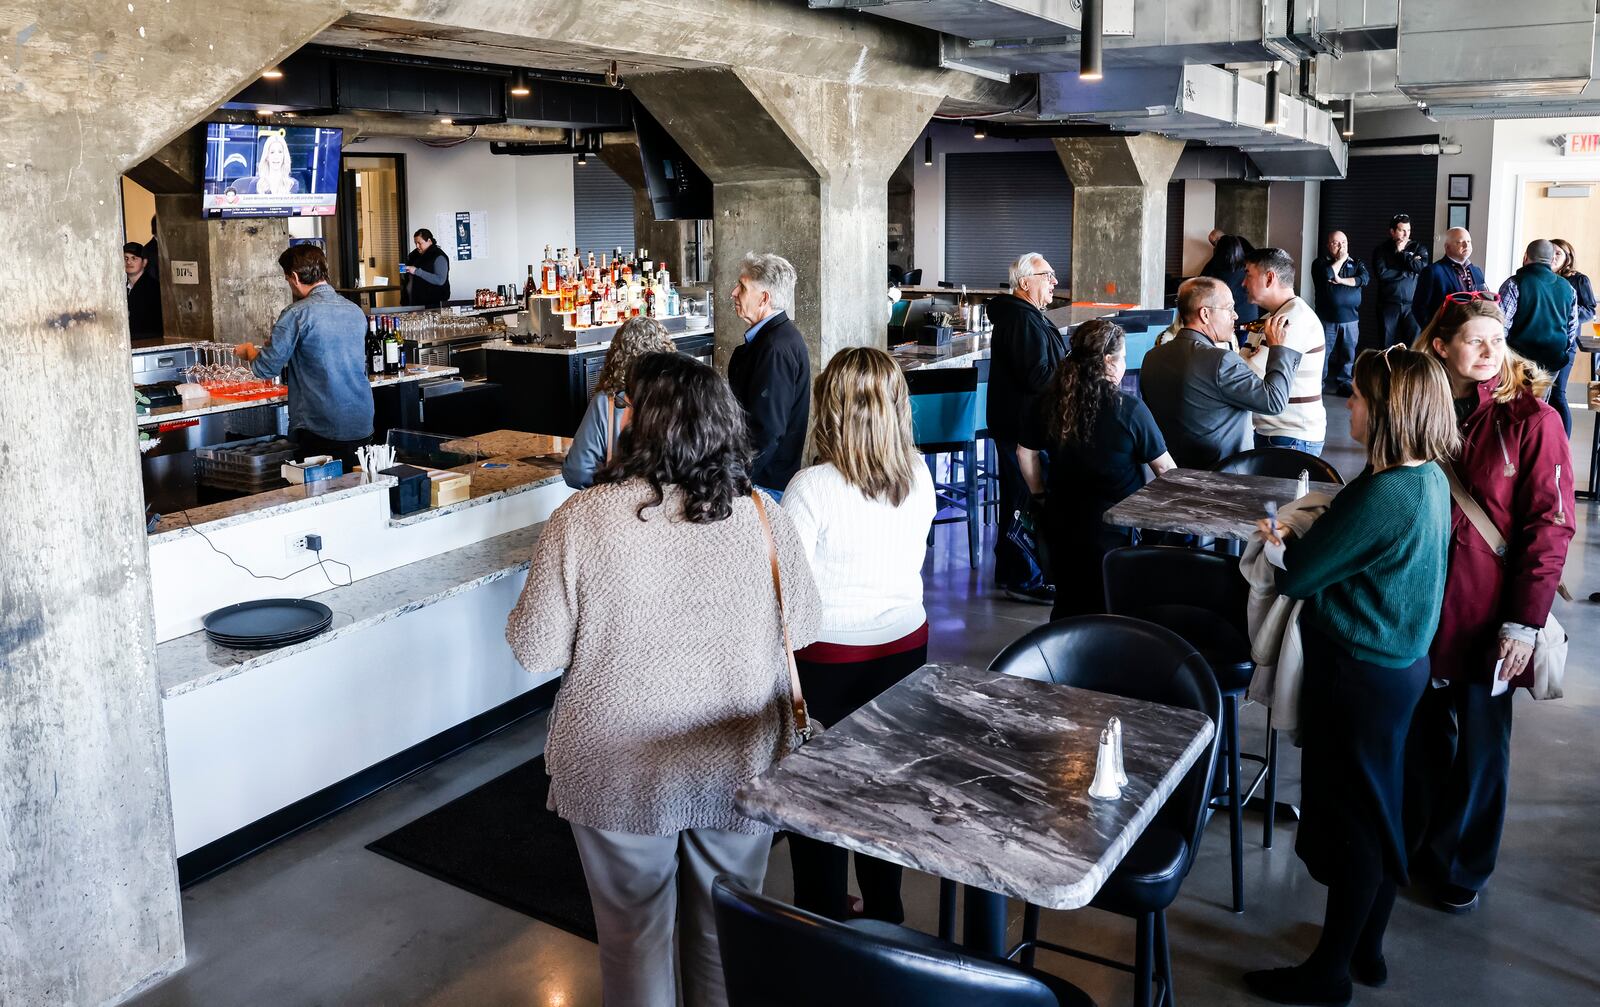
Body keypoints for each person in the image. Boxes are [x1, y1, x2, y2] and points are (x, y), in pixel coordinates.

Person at [504, 351, 821, 1007]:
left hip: (617, 763)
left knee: (632, 939)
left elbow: (535, 649)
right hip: (735, 758)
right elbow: (809, 625)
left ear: (637, 425)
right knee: (724, 936)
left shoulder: (584, 518)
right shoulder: (763, 513)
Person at [1244, 346, 1456, 1006]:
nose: (1350, 406)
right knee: (1380, 809)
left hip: (1360, 673)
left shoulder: (1387, 491)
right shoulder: (1429, 479)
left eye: (1360, 398)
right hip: (1399, 669)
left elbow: (1303, 575)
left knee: (1354, 823)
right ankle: (1366, 946)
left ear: (1389, 411)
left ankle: (1330, 969)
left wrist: (1278, 543)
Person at [1405, 297, 1574, 916]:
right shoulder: (1417, 404)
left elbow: (1550, 527)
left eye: (1496, 340)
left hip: (1489, 610)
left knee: (1481, 746)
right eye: (1474, 340)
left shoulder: (1532, 418)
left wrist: (1524, 624)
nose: (1489, 353)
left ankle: (1462, 866)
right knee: (1421, 736)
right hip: (1417, 603)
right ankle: (1418, 843)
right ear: (1442, 344)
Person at [780, 347, 935, 925]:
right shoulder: (917, 474)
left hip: (829, 660)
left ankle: (820, 915)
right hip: (906, 649)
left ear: (830, 409)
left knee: (817, 798)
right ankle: (884, 912)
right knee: (882, 792)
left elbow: (793, 600)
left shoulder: (810, 488)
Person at [1022, 319, 1176, 621]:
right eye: (1122, 358)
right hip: (1113, 527)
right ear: (1108, 361)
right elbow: (1166, 470)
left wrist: (1040, 496)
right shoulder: (1129, 409)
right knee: (1107, 606)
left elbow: (1024, 453)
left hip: (1060, 520)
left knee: (1067, 602)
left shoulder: (1050, 402)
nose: (1123, 365)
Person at [233, 245, 373, 472]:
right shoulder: (354, 310)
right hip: (361, 419)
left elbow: (265, 368)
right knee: (355, 491)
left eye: (287, 278)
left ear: (295, 277)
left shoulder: (297, 313)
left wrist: (249, 351)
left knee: (321, 495)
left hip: (322, 423)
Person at [1141, 277, 1300, 469]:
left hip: (1176, 472)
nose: (1235, 316)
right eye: (1229, 308)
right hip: (1223, 475)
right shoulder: (1221, 361)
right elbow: (1274, 401)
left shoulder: (1152, 357)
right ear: (1205, 314)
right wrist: (1278, 349)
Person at [985, 252, 1066, 605]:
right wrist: (1071, 375)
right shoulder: (1021, 320)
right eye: (1047, 275)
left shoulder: (1028, 316)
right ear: (1024, 283)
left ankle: (1013, 570)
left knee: (1020, 498)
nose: (1054, 281)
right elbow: (1038, 376)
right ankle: (1023, 577)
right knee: (1023, 501)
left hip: (1025, 425)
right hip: (1021, 428)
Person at [727, 252, 811, 496]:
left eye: (742, 287)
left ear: (764, 298)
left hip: (764, 485)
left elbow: (767, 430)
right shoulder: (777, 339)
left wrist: (735, 481)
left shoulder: (775, 348)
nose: (734, 292)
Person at [562, 317, 677, 490]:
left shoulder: (606, 403)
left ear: (616, 353)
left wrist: (611, 487)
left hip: (619, 506)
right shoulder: (682, 398)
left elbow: (577, 472)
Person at [1242, 247, 1328, 455]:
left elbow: (1245, 377)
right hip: (1274, 433)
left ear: (1269, 278)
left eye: (1248, 274)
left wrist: (1247, 361)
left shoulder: (1291, 319)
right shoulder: (1268, 320)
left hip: (1290, 436)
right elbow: (1243, 364)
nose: (1243, 283)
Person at [1499, 239, 1580, 438]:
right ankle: (1538, 446)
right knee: (1539, 409)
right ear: (1552, 259)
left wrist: (1503, 357)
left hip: (1519, 361)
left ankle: (1516, 449)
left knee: (1513, 410)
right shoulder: (1567, 288)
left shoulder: (1515, 283)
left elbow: (1501, 325)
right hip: (1552, 360)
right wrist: (1560, 350)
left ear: (1525, 257)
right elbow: (1572, 328)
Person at [1311, 230, 1370, 396]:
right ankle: (1317, 384)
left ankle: (1344, 383)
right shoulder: (1319, 263)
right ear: (1329, 245)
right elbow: (1327, 274)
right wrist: (1342, 259)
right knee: (1322, 353)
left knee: (1348, 355)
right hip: (1326, 319)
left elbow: (1363, 279)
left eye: (1344, 242)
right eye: (1337, 243)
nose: (1341, 247)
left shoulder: (1356, 263)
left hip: (1351, 319)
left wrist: (1341, 281)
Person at [1551, 237, 1592, 436]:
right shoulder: (1543, 277)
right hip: (1543, 341)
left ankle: (1563, 443)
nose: (1553, 256)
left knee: (1558, 393)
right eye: (1550, 252)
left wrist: (1567, 314)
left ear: (1568, 257)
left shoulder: (1578, 279)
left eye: (1558, 253)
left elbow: (1590, 310)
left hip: (1566, 343)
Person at [1371, 213, 1429, 348]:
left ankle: (1409, 370)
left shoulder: (1417, 248)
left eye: (1408, 230)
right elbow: (1382, 274)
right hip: (1388, 304)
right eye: (1402, 230)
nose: (1406, 234)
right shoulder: (1381, 250)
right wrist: (1407, 271)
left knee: (1414, 344)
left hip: (1412, 305)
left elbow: (1421, 268)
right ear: (1392, 232)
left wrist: (1402, 253)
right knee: (1386, 344)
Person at [1413, 227, 1486, 329]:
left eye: (1469, 241)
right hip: (1444, 334)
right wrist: (1433, 331)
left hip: (1472, 333)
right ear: (1447, 247)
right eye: (1460, 242)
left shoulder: (1476, 271)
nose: (1466, 245)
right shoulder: (1433, 271)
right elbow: (1419, 307)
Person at [1201, 234, 1262, 330]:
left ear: (1218, 250)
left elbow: (1200, 289)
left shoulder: (1212, 269)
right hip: (1251, 317)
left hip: (1226, 321)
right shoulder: (1250, 269)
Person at [400, 228, 451, 307]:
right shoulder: (414, 255)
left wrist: (416, 271)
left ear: (429, 241)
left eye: (420, 243)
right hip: (412, 302)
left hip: (432, 304)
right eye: (415, 243)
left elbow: (440, 280)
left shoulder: (439, 256)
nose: (417, 246)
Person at [124, 241, 163, 340]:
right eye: (125, 258)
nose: (129, 262)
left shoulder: (154, 288)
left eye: (134, 258)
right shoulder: (121, 289)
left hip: (149, 342)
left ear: (144, 262)